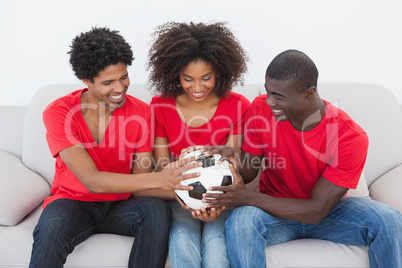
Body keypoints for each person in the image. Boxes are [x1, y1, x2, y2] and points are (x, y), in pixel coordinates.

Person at [202, 49, 402, 268]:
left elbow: (316, 211)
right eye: (269, 91)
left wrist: (247, 198)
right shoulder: (260, 109)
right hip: (273, 211)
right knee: (242, 221)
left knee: (388, 220)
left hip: (328, 213)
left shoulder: (349, 137)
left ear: (309, 92)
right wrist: (232, 158)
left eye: (279, 96)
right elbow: (250, 172)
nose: (269, 101)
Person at [29, 27, 202, 268]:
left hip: (122, 206)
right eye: (108, 82)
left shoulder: (142, 113)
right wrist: (159, 179)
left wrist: (186, 190)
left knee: (156, 211)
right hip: (73, 203)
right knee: (52, 227)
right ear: (87, 80)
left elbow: (140, 184)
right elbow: (92, 180)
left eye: (123, 77)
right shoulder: (59, 112)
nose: (120, 88)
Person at [140, 21, 250, 268]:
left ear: (220, 72)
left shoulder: (238, 105)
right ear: (175, 74)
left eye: (206, 78)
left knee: (215, 239)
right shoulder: (160, 105)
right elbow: (162, 170)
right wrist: (187, 195)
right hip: (178, 195)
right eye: (188, 79)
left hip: (221, 196)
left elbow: (235, 167)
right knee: (182, 236)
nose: (198, 87)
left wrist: (215, 202)